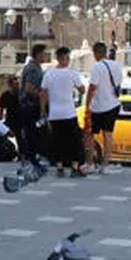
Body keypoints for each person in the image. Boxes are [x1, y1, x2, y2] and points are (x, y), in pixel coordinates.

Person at [40, 46, 86, 178]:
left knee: (57, 141)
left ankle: (59, 166)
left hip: (54, 114)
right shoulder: (72, 74)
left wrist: (43, 110)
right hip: (69, 113)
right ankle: (74, 167)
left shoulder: (49, 74)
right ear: (65, 58)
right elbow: (82, 89)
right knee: (74, 141)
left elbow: (43, 93)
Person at [84, 41, 123, 175]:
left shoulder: (97, 67)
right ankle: (105, 164)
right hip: (113, 104)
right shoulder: (116, 65)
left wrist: (87, 105)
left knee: (90, 134)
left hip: (98, 106)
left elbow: (92, 87)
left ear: (95, 53)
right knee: (108, 134)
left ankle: (90, 163)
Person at [18, 44, 50, 170]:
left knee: (32, 133)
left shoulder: (33, 67)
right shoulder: (33, 69)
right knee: (33, 133)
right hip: (31, 106)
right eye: (43, 54)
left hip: (29, 106)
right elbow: (29, 88)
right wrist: (41, 96)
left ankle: (30, 158)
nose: (45, 56)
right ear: (38, 54)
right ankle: (32, 159)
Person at [0, 76, 21, 147]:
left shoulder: (21, 94)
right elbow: (1, 110)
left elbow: (1, 110)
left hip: (19, 119)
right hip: (10, 119)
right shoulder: (5, 95)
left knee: (20, 138)